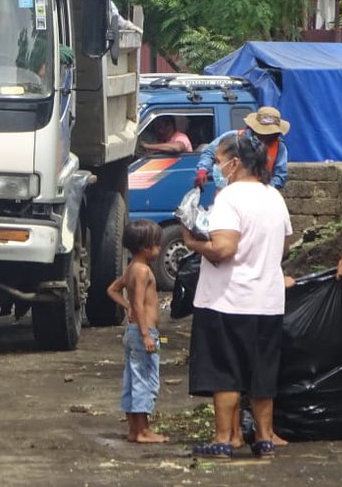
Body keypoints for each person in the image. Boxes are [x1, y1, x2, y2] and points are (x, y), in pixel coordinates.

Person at [183, 131, 292, 461]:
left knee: (225, 373)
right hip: (268, 302)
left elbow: (223, 248)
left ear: (234, 163)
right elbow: (284, 247)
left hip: (228, 301)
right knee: (261, 375)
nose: (216, 168)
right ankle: (264, 439)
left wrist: (192, 241)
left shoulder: (230, 198)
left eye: (218, 161)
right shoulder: (274, 196)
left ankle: (223, 440)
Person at [106, 219, 168, 444]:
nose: (159, 248)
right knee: (145, 380)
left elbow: (112, 290)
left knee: (133, 380)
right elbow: (140, 304)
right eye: (157, 244)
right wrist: (146, 334)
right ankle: (142, 430)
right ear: (145, 247)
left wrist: (127, 306)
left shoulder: (131, 268)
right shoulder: (142, 271)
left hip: (133, 332)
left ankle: (134, 429)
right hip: (144, 333)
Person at [195, 107, 289, 191]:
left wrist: (262, 189)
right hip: (230, 191)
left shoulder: (279, 147)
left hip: (261, 196)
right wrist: (202, 170)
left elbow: (280, 176)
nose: (266, 136)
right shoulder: (233, 137)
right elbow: (210, 152)